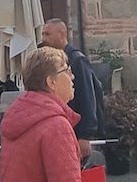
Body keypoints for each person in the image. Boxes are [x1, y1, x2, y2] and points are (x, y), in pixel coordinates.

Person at [0, 46, 81, 182]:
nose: (72, 76)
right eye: (67, 71)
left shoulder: (17, 115)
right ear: (51, 82)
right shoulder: (56, 126)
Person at [40, 18, 102, 160]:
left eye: (47, 34)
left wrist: (85, 135)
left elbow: (87, 97)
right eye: (43, 34)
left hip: (77, 131)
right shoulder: (52, 61)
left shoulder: (77, 60)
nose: (44, 39)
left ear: (62, 34)